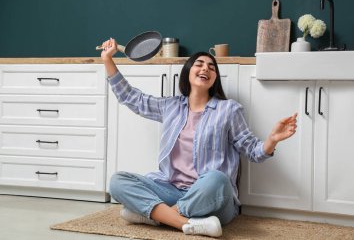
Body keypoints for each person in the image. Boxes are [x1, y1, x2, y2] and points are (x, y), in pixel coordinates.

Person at [101, 38, 297, 237]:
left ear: (215, 78)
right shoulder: (171, 107)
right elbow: (132, 98)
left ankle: (157, 216)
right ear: (188, 72)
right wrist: (108, 60)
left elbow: (253, 151)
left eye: (212, 67)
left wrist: (272, 140)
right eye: (200, 64)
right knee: (117, 182)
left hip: (211, 196)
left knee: (217, 178)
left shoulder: (228, 109)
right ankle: (187, 223)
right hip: (171, 189)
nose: (206, 69)